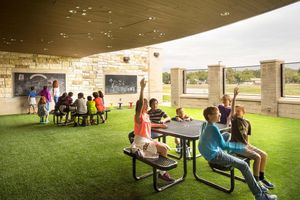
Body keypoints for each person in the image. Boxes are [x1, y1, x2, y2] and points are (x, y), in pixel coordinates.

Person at [198, 106, 277, 200]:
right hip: (214, 155)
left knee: (227, 134)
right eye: (217, 113)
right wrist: (238, 146)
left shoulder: (205, 124)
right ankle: (259, 196)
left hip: (209, 152)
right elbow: (223, 146)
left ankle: (231, 152)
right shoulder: (213, 128)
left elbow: (203, 141)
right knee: (244, 165)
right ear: (209, 116)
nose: (220, 114)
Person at [230, 87, 275, 191]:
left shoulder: (247, 122)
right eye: (235, 111)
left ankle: (262, 178)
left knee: (264, 155)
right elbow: (232, 110)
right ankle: (256, 181)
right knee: (257, 157)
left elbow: (246, 137)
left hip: (245, 145)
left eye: (239, 111)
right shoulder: (234, 121)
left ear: (243, 112)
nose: (236, 112)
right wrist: (235, 97)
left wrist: (249, 146)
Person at [131, 78, 175, 182]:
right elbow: (141, 103)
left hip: (148, 139)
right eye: (145, 104)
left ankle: (160, 170)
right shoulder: (138, 116)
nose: (146, 105)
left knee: (164, 147)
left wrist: (160, 125)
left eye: (146, 103)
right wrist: (142, 88)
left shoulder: (146, 115)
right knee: (163, 149)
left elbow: (150, 125)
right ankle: (162, 173)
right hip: (140, 141)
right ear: (141, 106)